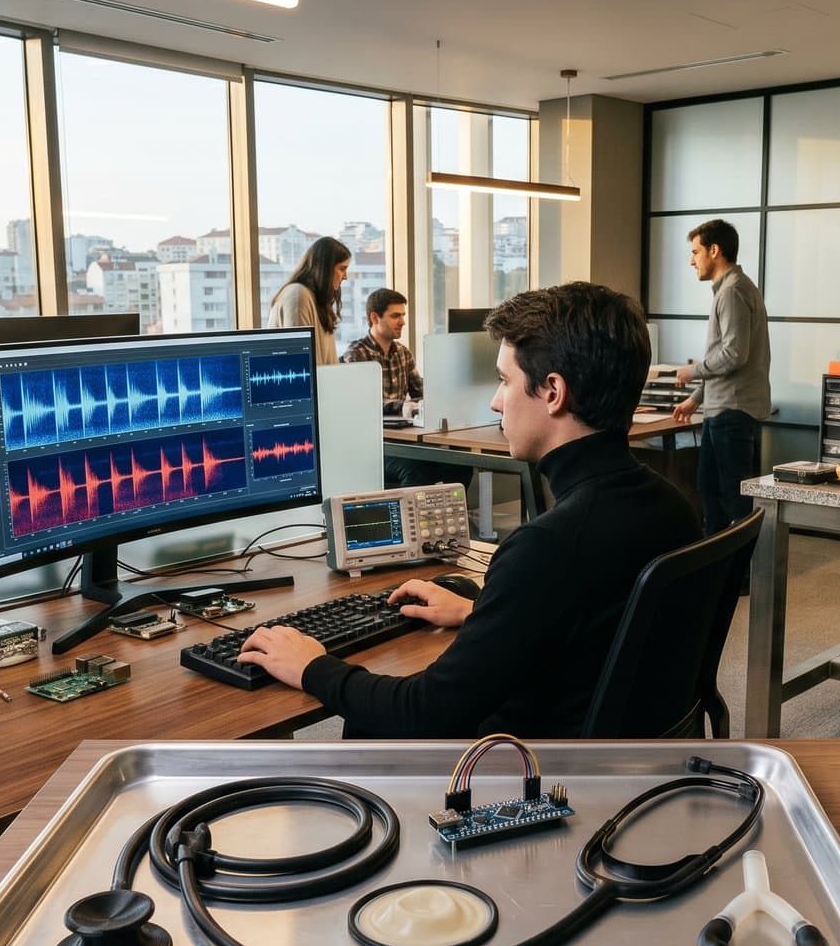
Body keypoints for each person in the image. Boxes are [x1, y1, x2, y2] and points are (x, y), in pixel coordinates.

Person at [237, 282, 702, 737]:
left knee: (367, 720)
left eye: (505, 381)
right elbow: (594, 620)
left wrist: (313, 666)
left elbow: (424, 713)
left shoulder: (547, 547)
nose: (495, 401)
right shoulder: (675, 509)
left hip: (526, 780)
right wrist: (481, 611)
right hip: (633, 768)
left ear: (554, 392)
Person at [670, 219, 772, 535]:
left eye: (695, 251)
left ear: (714, 251)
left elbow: (733, 354)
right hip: (726, 408)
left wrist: (692, 371)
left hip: (732, 411)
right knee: (712, 491)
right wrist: (695, 399)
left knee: (732, 499)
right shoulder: (733, 289)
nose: (691, 260)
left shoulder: (732, 292)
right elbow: (729, 355)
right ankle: (719, 567)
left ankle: (736, 574)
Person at [344, 288, 467, 490]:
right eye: (395, 316)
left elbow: (420, 392)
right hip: (372, 446)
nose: (402, 321)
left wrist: (446, 393)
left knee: (461, 464)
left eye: (403, 315)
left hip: (405, 442)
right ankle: (408, 521)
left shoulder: (403, 353)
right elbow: (360, 404)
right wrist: (400, 405)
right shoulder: (355, 355)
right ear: (374, 317)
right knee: (416, 470)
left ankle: (444, 519)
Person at [266, 236, 351, 368]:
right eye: (342, 268)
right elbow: (300, 363)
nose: (345, 276)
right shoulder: (299, 295)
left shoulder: (316, 299)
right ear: (325, 268)